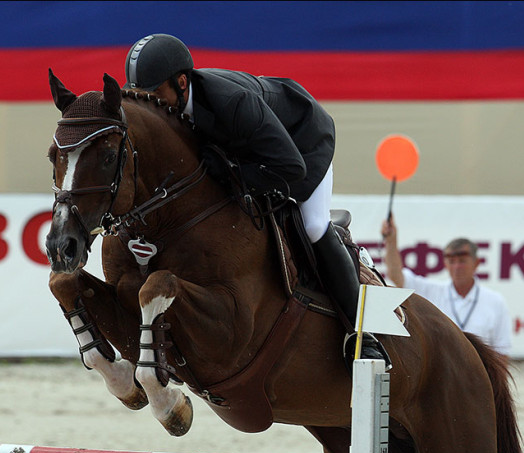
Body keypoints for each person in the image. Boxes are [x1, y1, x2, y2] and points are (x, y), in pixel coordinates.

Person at [124, 33, 386, 361]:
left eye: (151, 94)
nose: (146, 103)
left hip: (302, 144)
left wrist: (234, 172)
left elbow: (291, 168)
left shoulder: (230, 102)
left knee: (314, 225)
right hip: (252, 154)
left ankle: (362, 335)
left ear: (181, 82)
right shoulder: (172, 111)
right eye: (139, 95)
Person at [380, 216, 512, 453]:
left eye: (462, 259)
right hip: (439, 392)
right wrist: (391, 241)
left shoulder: (495, 302)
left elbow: (502, 355)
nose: (456, 265)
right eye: (450, 259)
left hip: (478, 391)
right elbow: (398, 275)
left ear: (476, 263)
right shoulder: (435, 292)